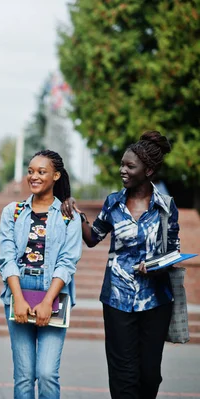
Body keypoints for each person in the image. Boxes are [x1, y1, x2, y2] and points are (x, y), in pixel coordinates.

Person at [61, 131, 180, 399]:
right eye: (122, 164)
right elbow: (93, 237)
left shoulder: (166, 206)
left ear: (148, 170)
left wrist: (157, 265)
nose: (122, 170)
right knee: (122, 373)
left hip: (156, 299)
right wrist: (76, 213)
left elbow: (174, 250)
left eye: (129, 166)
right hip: (117, 297)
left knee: (150, 374)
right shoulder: (113, 203)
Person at [0, 150, 82, 399]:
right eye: (31, 171)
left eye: (41, 172)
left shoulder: (69, 216)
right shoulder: (13, 211)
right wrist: (18, 298)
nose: (33, 176)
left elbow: (67, 261)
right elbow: (6, 256)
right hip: (19, 288)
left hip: (54, 291)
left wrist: (47, 302)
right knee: (23, 375)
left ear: (55, 175)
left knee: (46, 373)